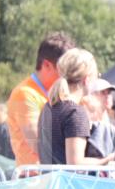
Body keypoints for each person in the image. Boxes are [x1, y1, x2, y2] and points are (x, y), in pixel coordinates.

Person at [37, 48, 115, 167]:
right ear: (87, 80)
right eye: (97, 76)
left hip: (49, 182)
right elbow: (75, 164)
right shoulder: (75, 112)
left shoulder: (48, 107)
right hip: (66, 184)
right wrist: (104, 161)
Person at [7, 32, 75, 166]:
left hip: (55, 177)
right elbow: (40, 145)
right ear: (47, 65)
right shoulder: (24, 94)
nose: (70, 75)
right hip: (34, 180)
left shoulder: (62, 92)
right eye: (65, 69)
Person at [91, 79, 115, 159]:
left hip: (112, 170)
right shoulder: (84, 124)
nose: (108, 96)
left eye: (109, 93)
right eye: (103, 92)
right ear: (92, 95)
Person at [80, 95, 115, 160]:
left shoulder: (103, 130)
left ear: (97, 113)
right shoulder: (79, 129)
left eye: (91, 110)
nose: (84, 113)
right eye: (81, 110)